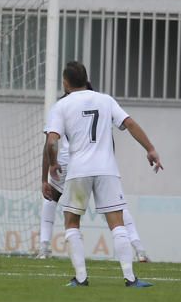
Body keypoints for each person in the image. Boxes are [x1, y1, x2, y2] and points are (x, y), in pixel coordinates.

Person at [43, 61, 162, 287]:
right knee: (117, 223)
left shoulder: (62, 106)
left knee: (71, 222)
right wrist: (150, 149)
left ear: (65, 83)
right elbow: (130, 124)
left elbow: (51, 141)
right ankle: (130, 278)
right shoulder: (105, 100)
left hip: (79, 171)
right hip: (107, 170)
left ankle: (81, 278)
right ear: (85, 78)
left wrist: (53, 163)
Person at [39, 83, 150, 262]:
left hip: (70, 163)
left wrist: (45, 177)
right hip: (100, 165)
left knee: (53, 200)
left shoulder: (62, 105)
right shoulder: (102, 102)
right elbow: (115, 136)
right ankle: (139, 249)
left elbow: (50, 143)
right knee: (117, 208)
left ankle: (45, 249)